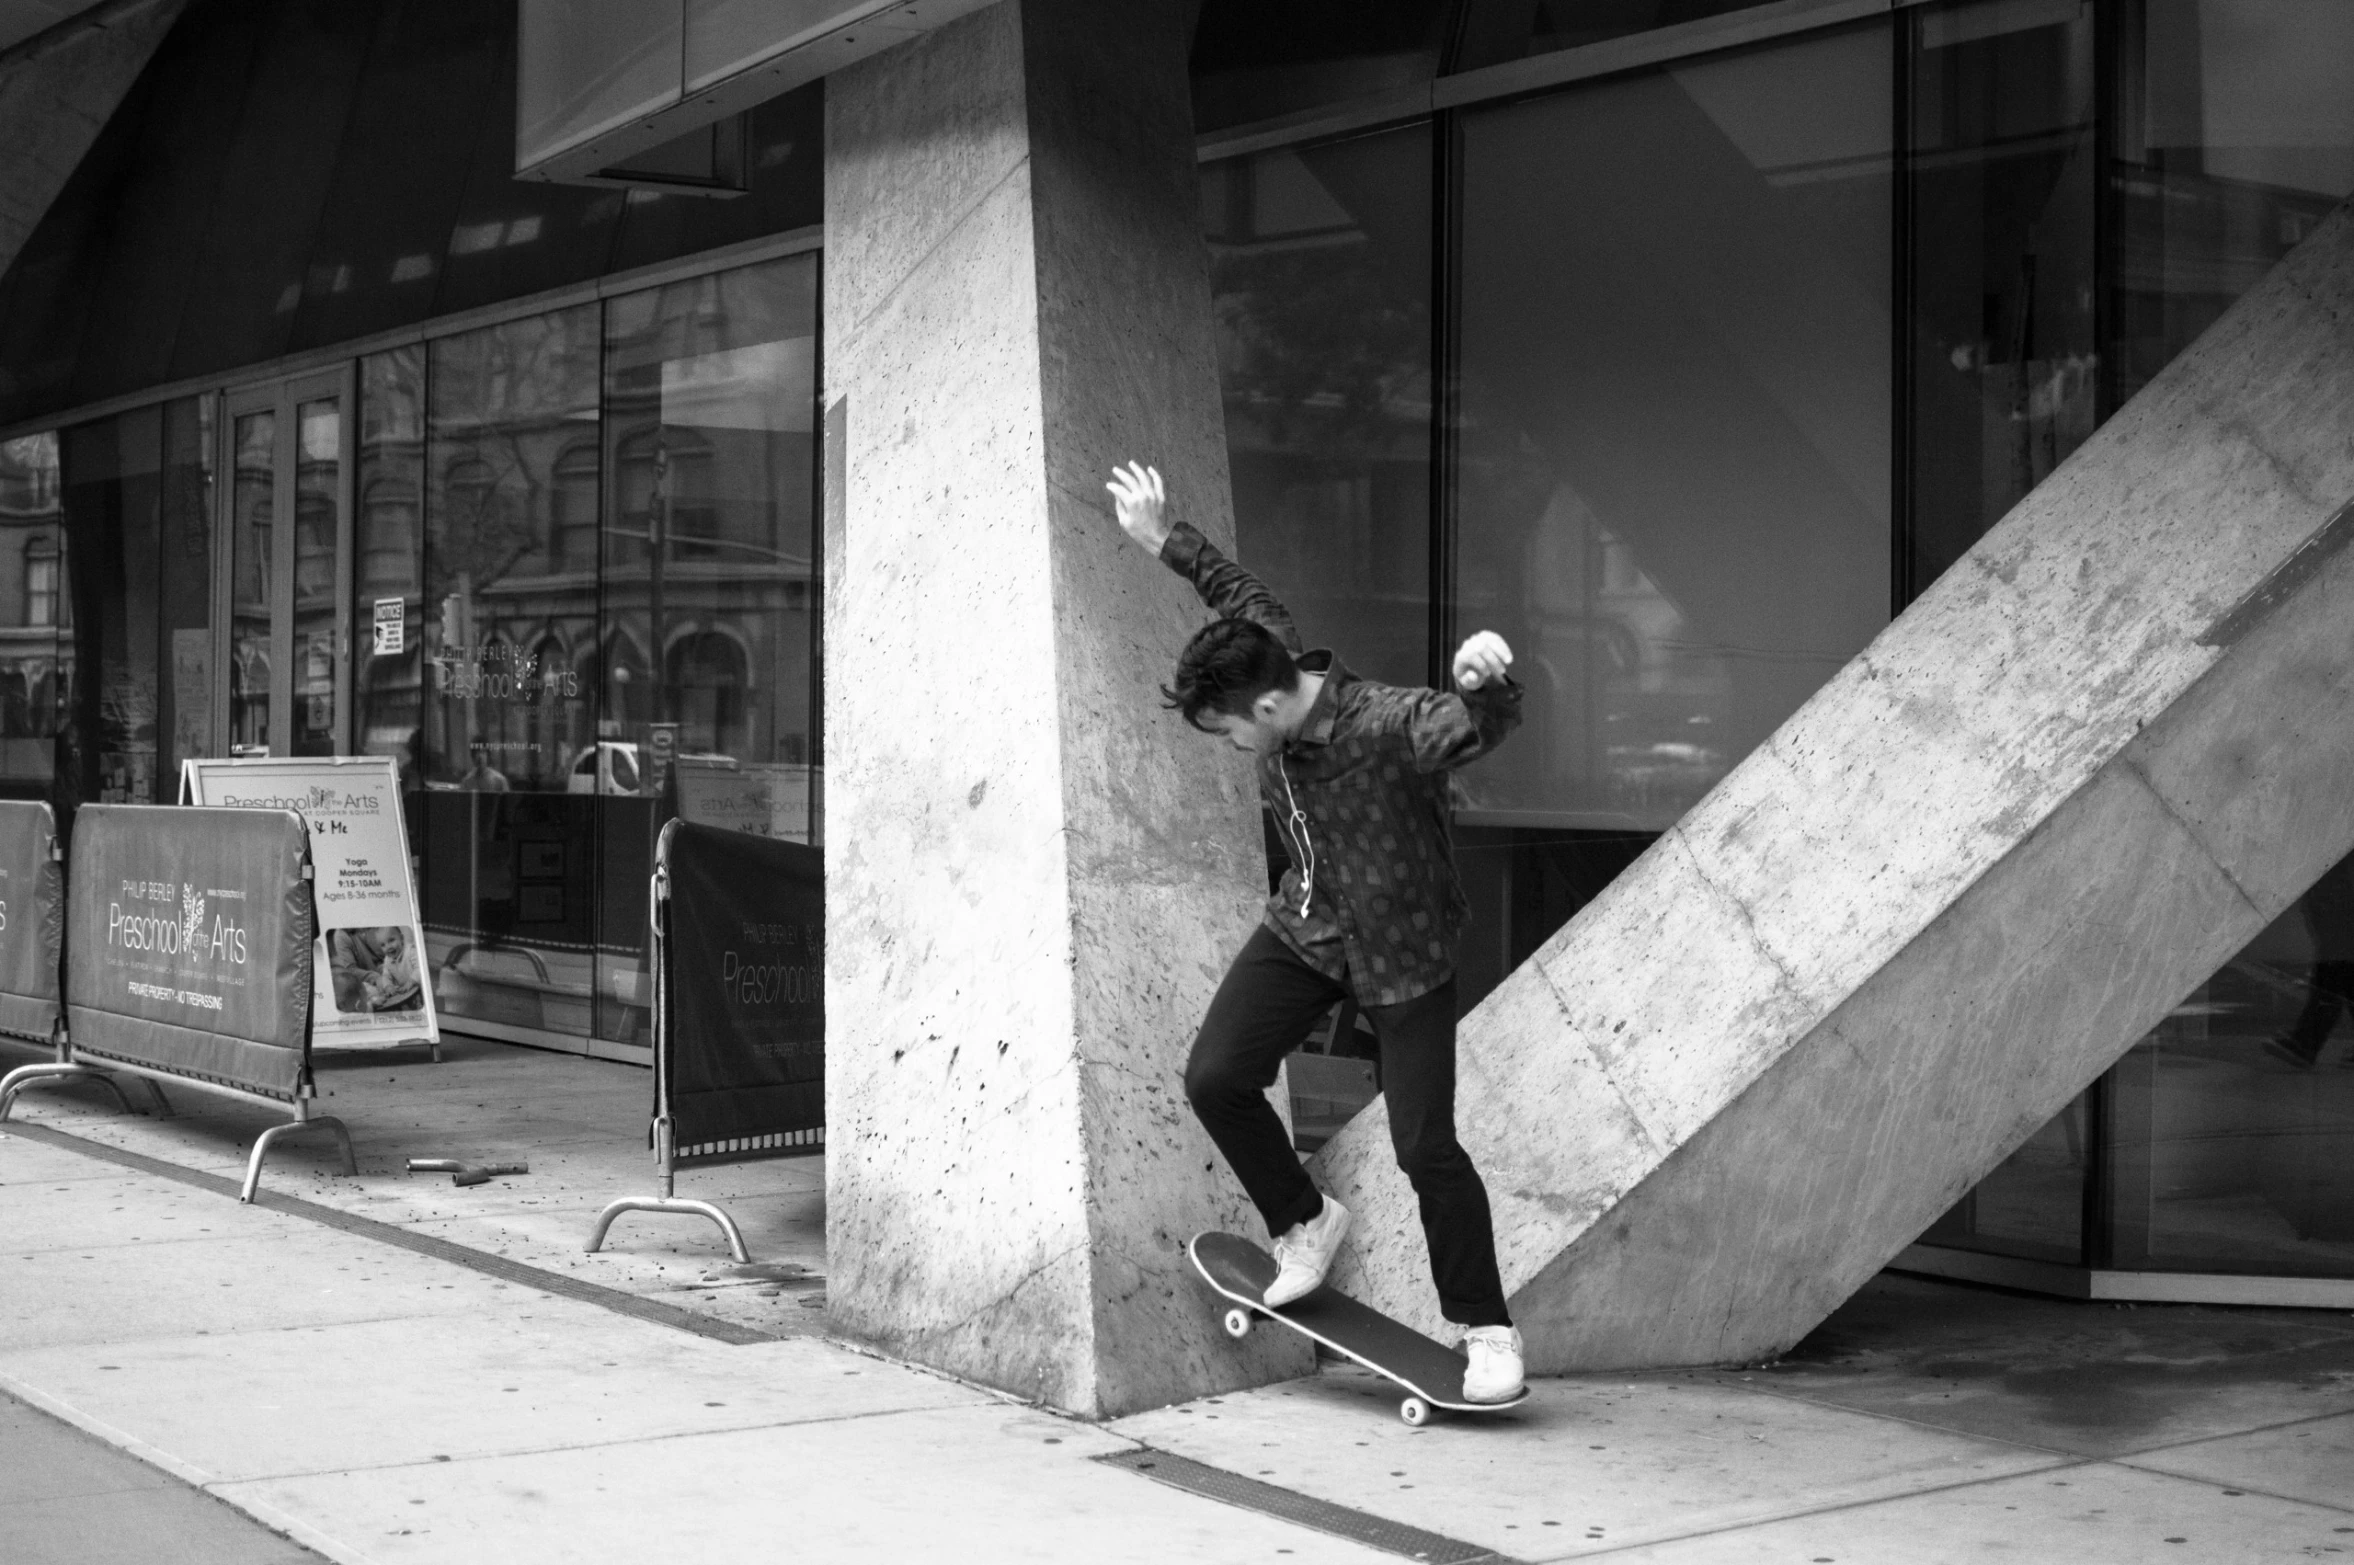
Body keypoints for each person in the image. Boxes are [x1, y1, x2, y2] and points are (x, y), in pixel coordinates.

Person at [1106, 460, 1528, 1403]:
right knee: (1215, 1075)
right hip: (1305, 925)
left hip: (1404, 952)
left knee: (1427, 1148)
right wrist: (1162, 534)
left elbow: (1468, 726)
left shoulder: (1384, 725)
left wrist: (1488, 683)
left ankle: (1487, 1329)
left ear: (1265, 708)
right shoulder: (1271, 652)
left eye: (1227, 734)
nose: (1231, 748)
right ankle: (1304, 1219)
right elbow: (1236, 591)